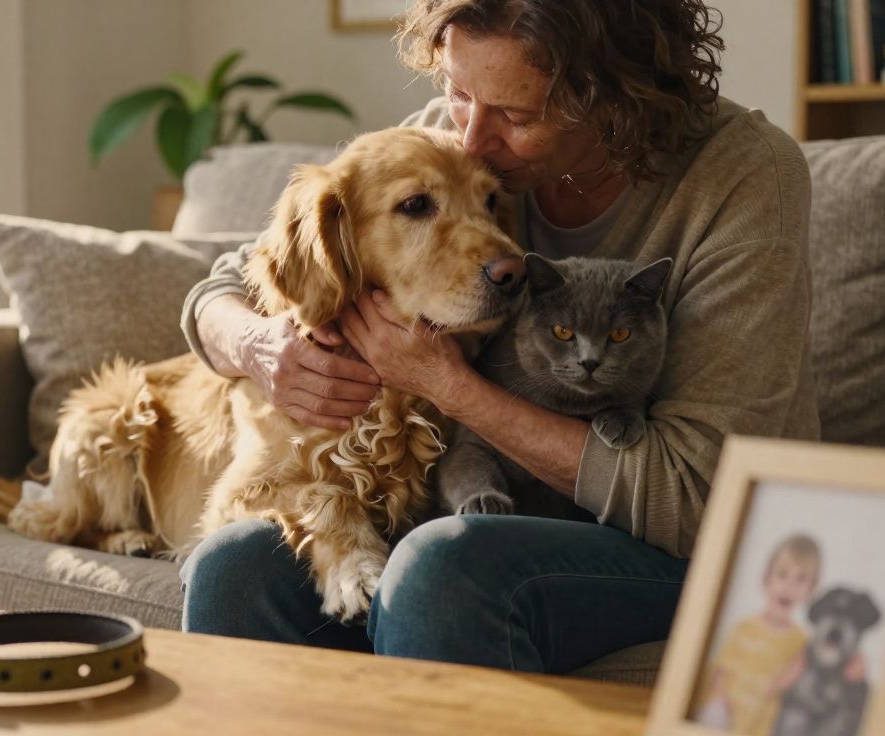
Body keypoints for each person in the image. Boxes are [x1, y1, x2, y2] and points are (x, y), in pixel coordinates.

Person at [177, 0, 820, 673]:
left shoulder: (744, 177)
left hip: (701, 548)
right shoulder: (459, 139)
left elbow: (697, 501)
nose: (474, 139)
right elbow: (229, 282)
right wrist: (257, 346)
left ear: (612, 98)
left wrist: (446, 385)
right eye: (457, 91)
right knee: (235, 567)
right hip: (497, 512)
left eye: (518, 116)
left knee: (442, 568)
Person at [694, 535, 822, 734]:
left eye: (801, 579)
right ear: (767, 578)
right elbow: (720, 671)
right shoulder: (744, 627)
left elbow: (792, 681)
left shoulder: (801, 641)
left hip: (761, 718)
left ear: (811, 589)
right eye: (782, 574)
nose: (789, 586)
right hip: (726, 708)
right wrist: (720, 699)